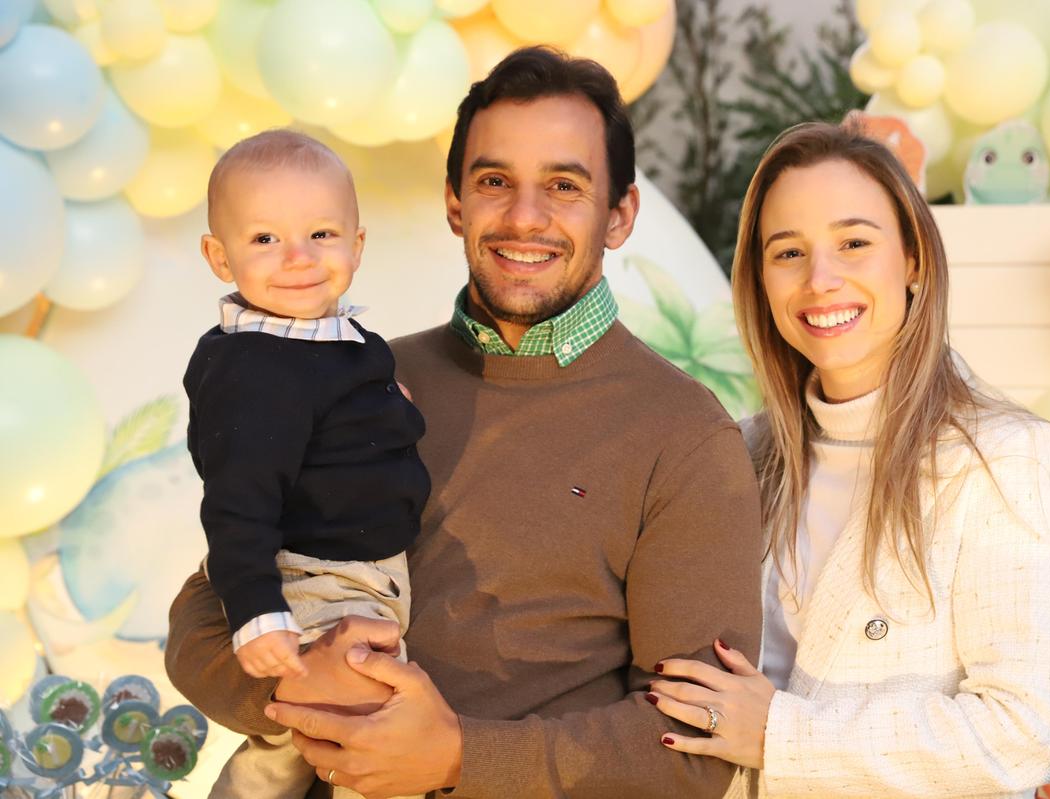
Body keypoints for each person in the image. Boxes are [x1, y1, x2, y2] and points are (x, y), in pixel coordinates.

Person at [165, 47, 764, 799]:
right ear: (454, 202)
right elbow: (201, 613)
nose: (524, 216)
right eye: (494, 181)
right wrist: (296, 690)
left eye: (563, 185)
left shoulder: (683, 435)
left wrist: (458, 757)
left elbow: (696, 743)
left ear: (620, 214)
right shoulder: (358, 376)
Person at [646, 122, 1050, 798]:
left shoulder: (1002, 457)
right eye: (788, 251)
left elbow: (1032, 729)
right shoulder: (736, 454)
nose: (821, 280)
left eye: (854, 243)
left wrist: (782, 735)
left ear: (913, 259)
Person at [185, 129, 431, 798]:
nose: (297, 257)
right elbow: (237, 500)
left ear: (357, 245)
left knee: (297, 742)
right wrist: (258, 609)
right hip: (317, 579)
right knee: (367, 731)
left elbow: (370, 413)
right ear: (218, 254)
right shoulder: (257, 368)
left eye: (321, 234)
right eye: (264, 238)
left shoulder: (339, 339)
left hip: (364, 576)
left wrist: (394, 405)